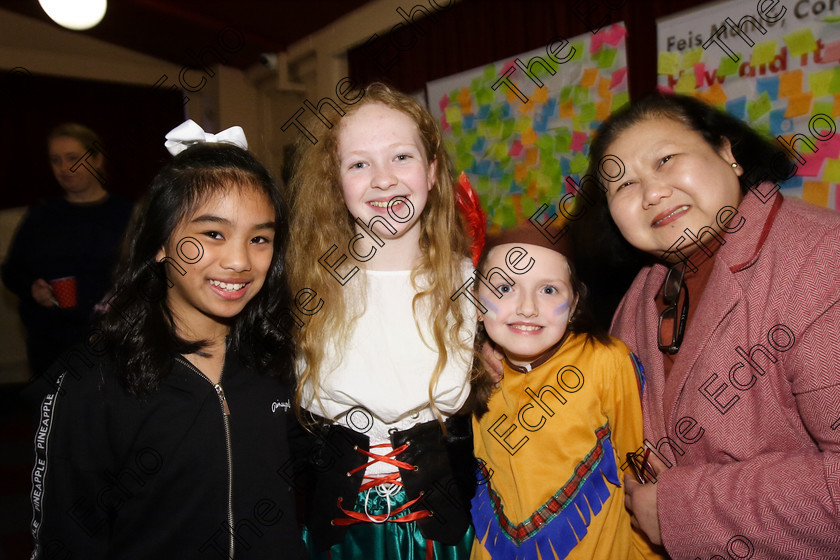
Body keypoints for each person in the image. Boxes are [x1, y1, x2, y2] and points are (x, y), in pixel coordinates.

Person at [578, 93, 840, 559]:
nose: (652, 192)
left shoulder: (821, 259)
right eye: (623, 185)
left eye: (665, 159)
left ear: (727, 153)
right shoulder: (641, 295)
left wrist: (680, 509)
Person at [28, 123, 303, 559]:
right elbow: (67, 536)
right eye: (213, 233)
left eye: (259, 239)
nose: (238, 261)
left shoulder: (280, 363)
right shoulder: (93, 380)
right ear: (160, 243)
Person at [286, 83, 478, 559]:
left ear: (432, 172)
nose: (383, 179)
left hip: (441, 537)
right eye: (358, 163)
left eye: (401, 157)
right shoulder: (303, 288)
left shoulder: (472, 283)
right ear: (336, 181)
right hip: (338, 537)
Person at [469, 224, 664, 560]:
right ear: (475, 302)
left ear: (574, 304)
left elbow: (637, 472)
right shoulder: (468, 375)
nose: (527, 307)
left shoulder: (607, 363)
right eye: (504, 287)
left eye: (548, 290)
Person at [2, 123, 133, 376]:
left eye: (73, 158)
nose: (64, 168)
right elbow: (12, 271)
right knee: (55, 413)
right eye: (56, 160)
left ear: (96, 159)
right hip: (51, 343)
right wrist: (32, 288)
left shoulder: (127, 214)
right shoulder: (40, 216)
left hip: (112, 342)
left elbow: (151, 273)